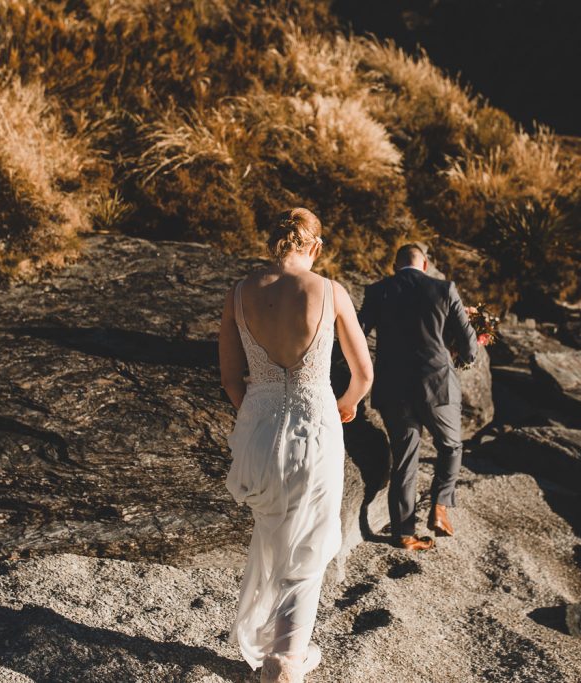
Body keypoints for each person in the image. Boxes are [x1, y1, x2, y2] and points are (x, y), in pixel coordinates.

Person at [218, 208, 373, 683]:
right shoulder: (330, 291)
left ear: (273, 242)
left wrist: (258, 413)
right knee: (311, 541)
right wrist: (345, 404)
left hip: (260, 427)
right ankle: (286, 661)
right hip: (316, 424)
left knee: (275, 532)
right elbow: (364, 374)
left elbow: (230, 380)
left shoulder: (240, 294)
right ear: (316, 247)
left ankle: (277, 646)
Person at [358, 243, 478, 551]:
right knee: (451, 445)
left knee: (405, 460)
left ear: (395, 267)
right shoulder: (444, 288)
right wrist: (458, 352)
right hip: (437, 385)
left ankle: (404, 534)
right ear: (424, 265)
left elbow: (358, 333)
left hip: (393, 387)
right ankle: (440, 505)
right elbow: (470, 348)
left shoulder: (378, 291)